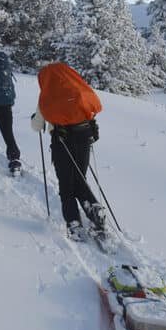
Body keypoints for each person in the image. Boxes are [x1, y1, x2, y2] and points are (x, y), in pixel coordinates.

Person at [31, 62, 106, 241]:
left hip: (62, 141)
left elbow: (37, 126)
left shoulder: (47, 96)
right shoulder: (78, 88)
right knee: (80, 178)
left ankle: (74, 223)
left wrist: (35, 118)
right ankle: (95, 209)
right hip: (85, 136)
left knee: (66, 184)